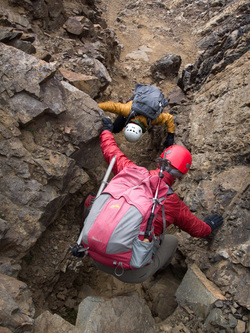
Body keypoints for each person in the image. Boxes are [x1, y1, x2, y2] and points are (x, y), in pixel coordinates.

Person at [82, 118, 223, 284]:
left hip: (94, 255)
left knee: (95, 202)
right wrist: (209, 227)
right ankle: (156, 270)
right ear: (180, 176)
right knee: (172, 241)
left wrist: (106, 131)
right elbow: (196, 229)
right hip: (129, 271)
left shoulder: (130, 171)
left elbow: (112, 152)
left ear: (160, 160)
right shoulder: (173, 203)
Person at [98, 99, 175, 147]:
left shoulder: (153, 119)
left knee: (116, 128)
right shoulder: (128, 110)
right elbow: (111, 106)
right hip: (136, 106)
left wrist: (170, 135)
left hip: (147, 104)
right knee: (115, 128)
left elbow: (111, 106)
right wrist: (170, 135)